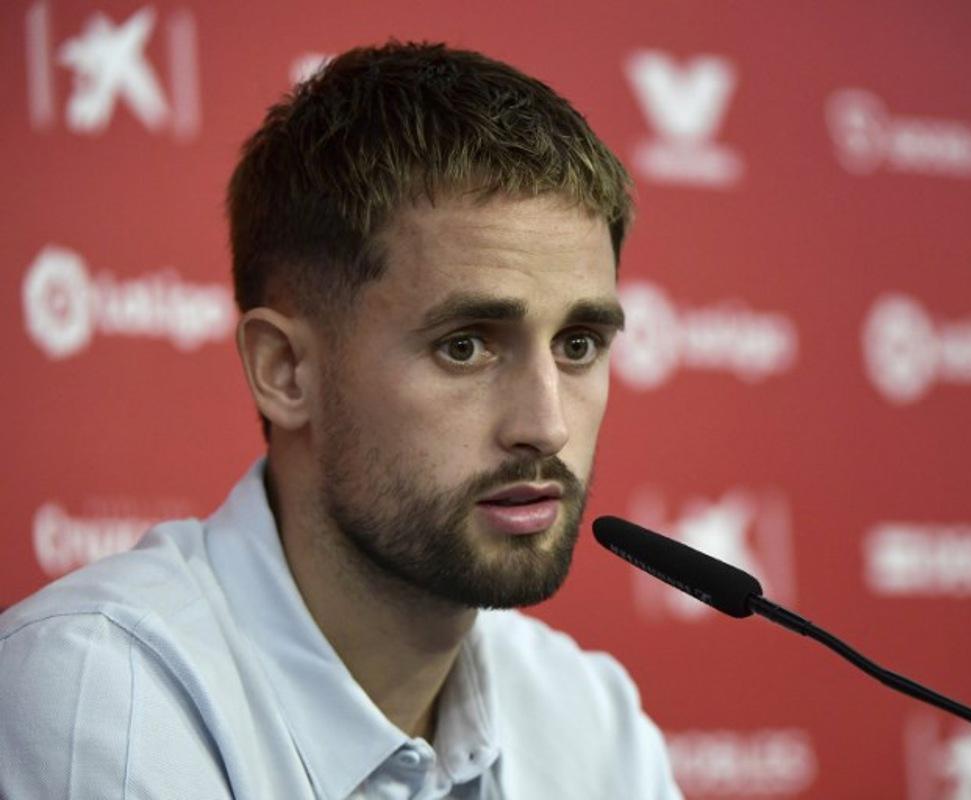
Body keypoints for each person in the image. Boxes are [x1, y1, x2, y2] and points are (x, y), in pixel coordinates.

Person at [0, 41, 682, 799]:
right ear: (285, 371)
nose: (546, 426)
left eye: (578, 345)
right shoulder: (103, 695)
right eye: (465, 347)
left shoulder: (591, 718)